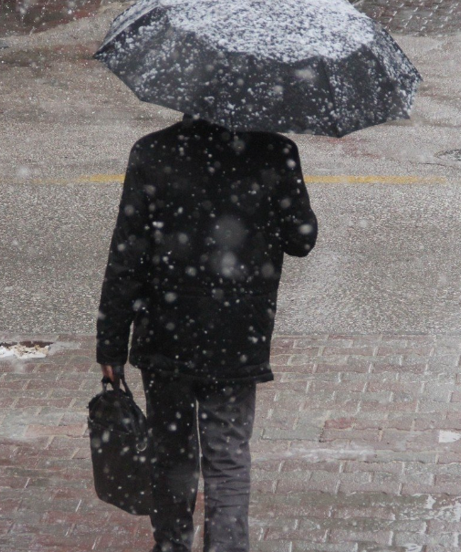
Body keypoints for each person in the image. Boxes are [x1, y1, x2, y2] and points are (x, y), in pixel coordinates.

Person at [96, 116, 317, 552]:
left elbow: (127, 254)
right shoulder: (274, 151)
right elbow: (301, 239)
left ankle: (172, 544)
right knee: (228, 457)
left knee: (172, 456)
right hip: (238, 334)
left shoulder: (153, 152)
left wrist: (111, 342)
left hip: (167, 332)